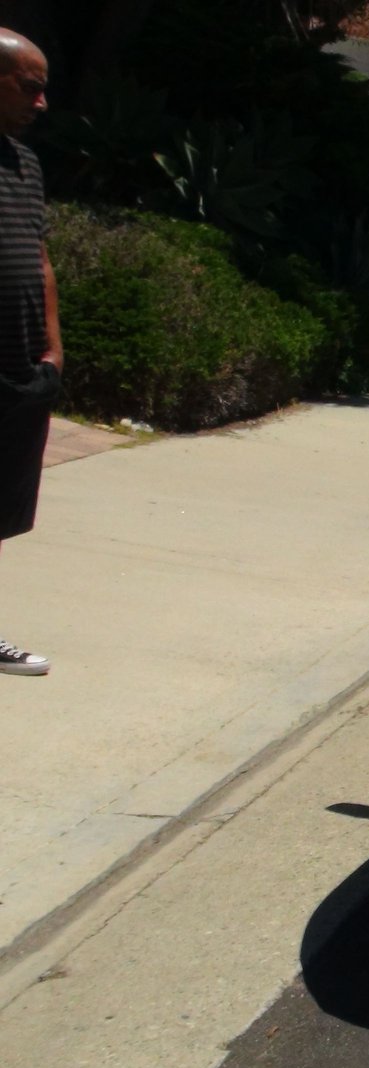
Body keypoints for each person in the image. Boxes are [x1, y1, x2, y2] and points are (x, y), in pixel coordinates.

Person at [0, 28, 58, 676]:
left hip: (21, 371)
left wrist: (53, 352)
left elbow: (41, 259)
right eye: (31, 86)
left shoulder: (25, 163)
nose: (42, 103)